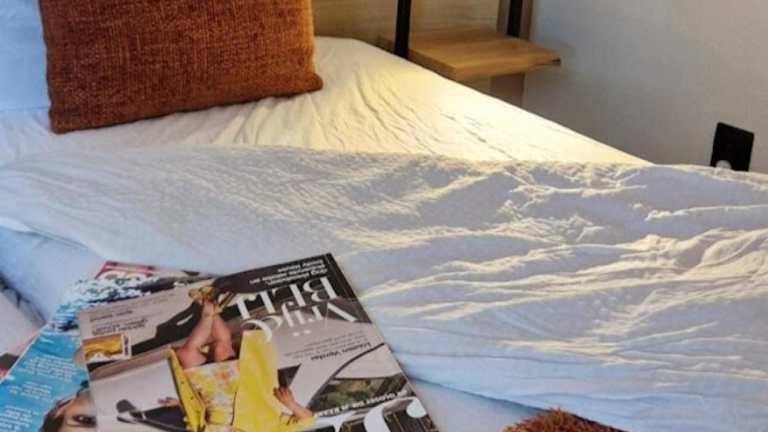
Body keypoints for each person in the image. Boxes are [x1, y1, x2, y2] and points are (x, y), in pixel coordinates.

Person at [170, 298, 314, 432]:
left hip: (212, 398)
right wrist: (290, 404)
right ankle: (208, 308)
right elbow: (307, 420)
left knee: (186, 354)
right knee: (221, 347)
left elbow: (196, 424)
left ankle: (209, 310)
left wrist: (180, 405)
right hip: (239, 388)